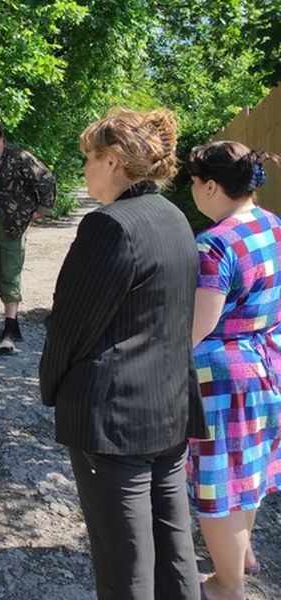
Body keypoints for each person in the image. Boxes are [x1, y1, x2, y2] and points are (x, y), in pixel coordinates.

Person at [39, 108, 208, 600]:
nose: (84, 168)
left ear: (113, 161)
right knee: (173, 546)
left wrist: (52, 389)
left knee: (124, 563)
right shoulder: (174, 216)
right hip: (169, 407)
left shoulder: (109, 226)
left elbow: (70, 327)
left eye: (89, 157)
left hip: (115, 422)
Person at [185, 141, 281, 600]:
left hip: (224, 377)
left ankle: (227, 586)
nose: (191, 191)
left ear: (210, 186)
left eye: (192, 182)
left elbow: (200, 325)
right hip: (268, 361)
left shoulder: (213, 243)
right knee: (249, 470)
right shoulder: (274, 226)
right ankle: (243, 557)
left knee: (218, 485)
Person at [0, 117, 55, 354]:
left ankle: (9, 333)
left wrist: (42, 210)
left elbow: (46, 179)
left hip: (12, 223)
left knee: (10, 275)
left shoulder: (19, 157)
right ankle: (13, 326)